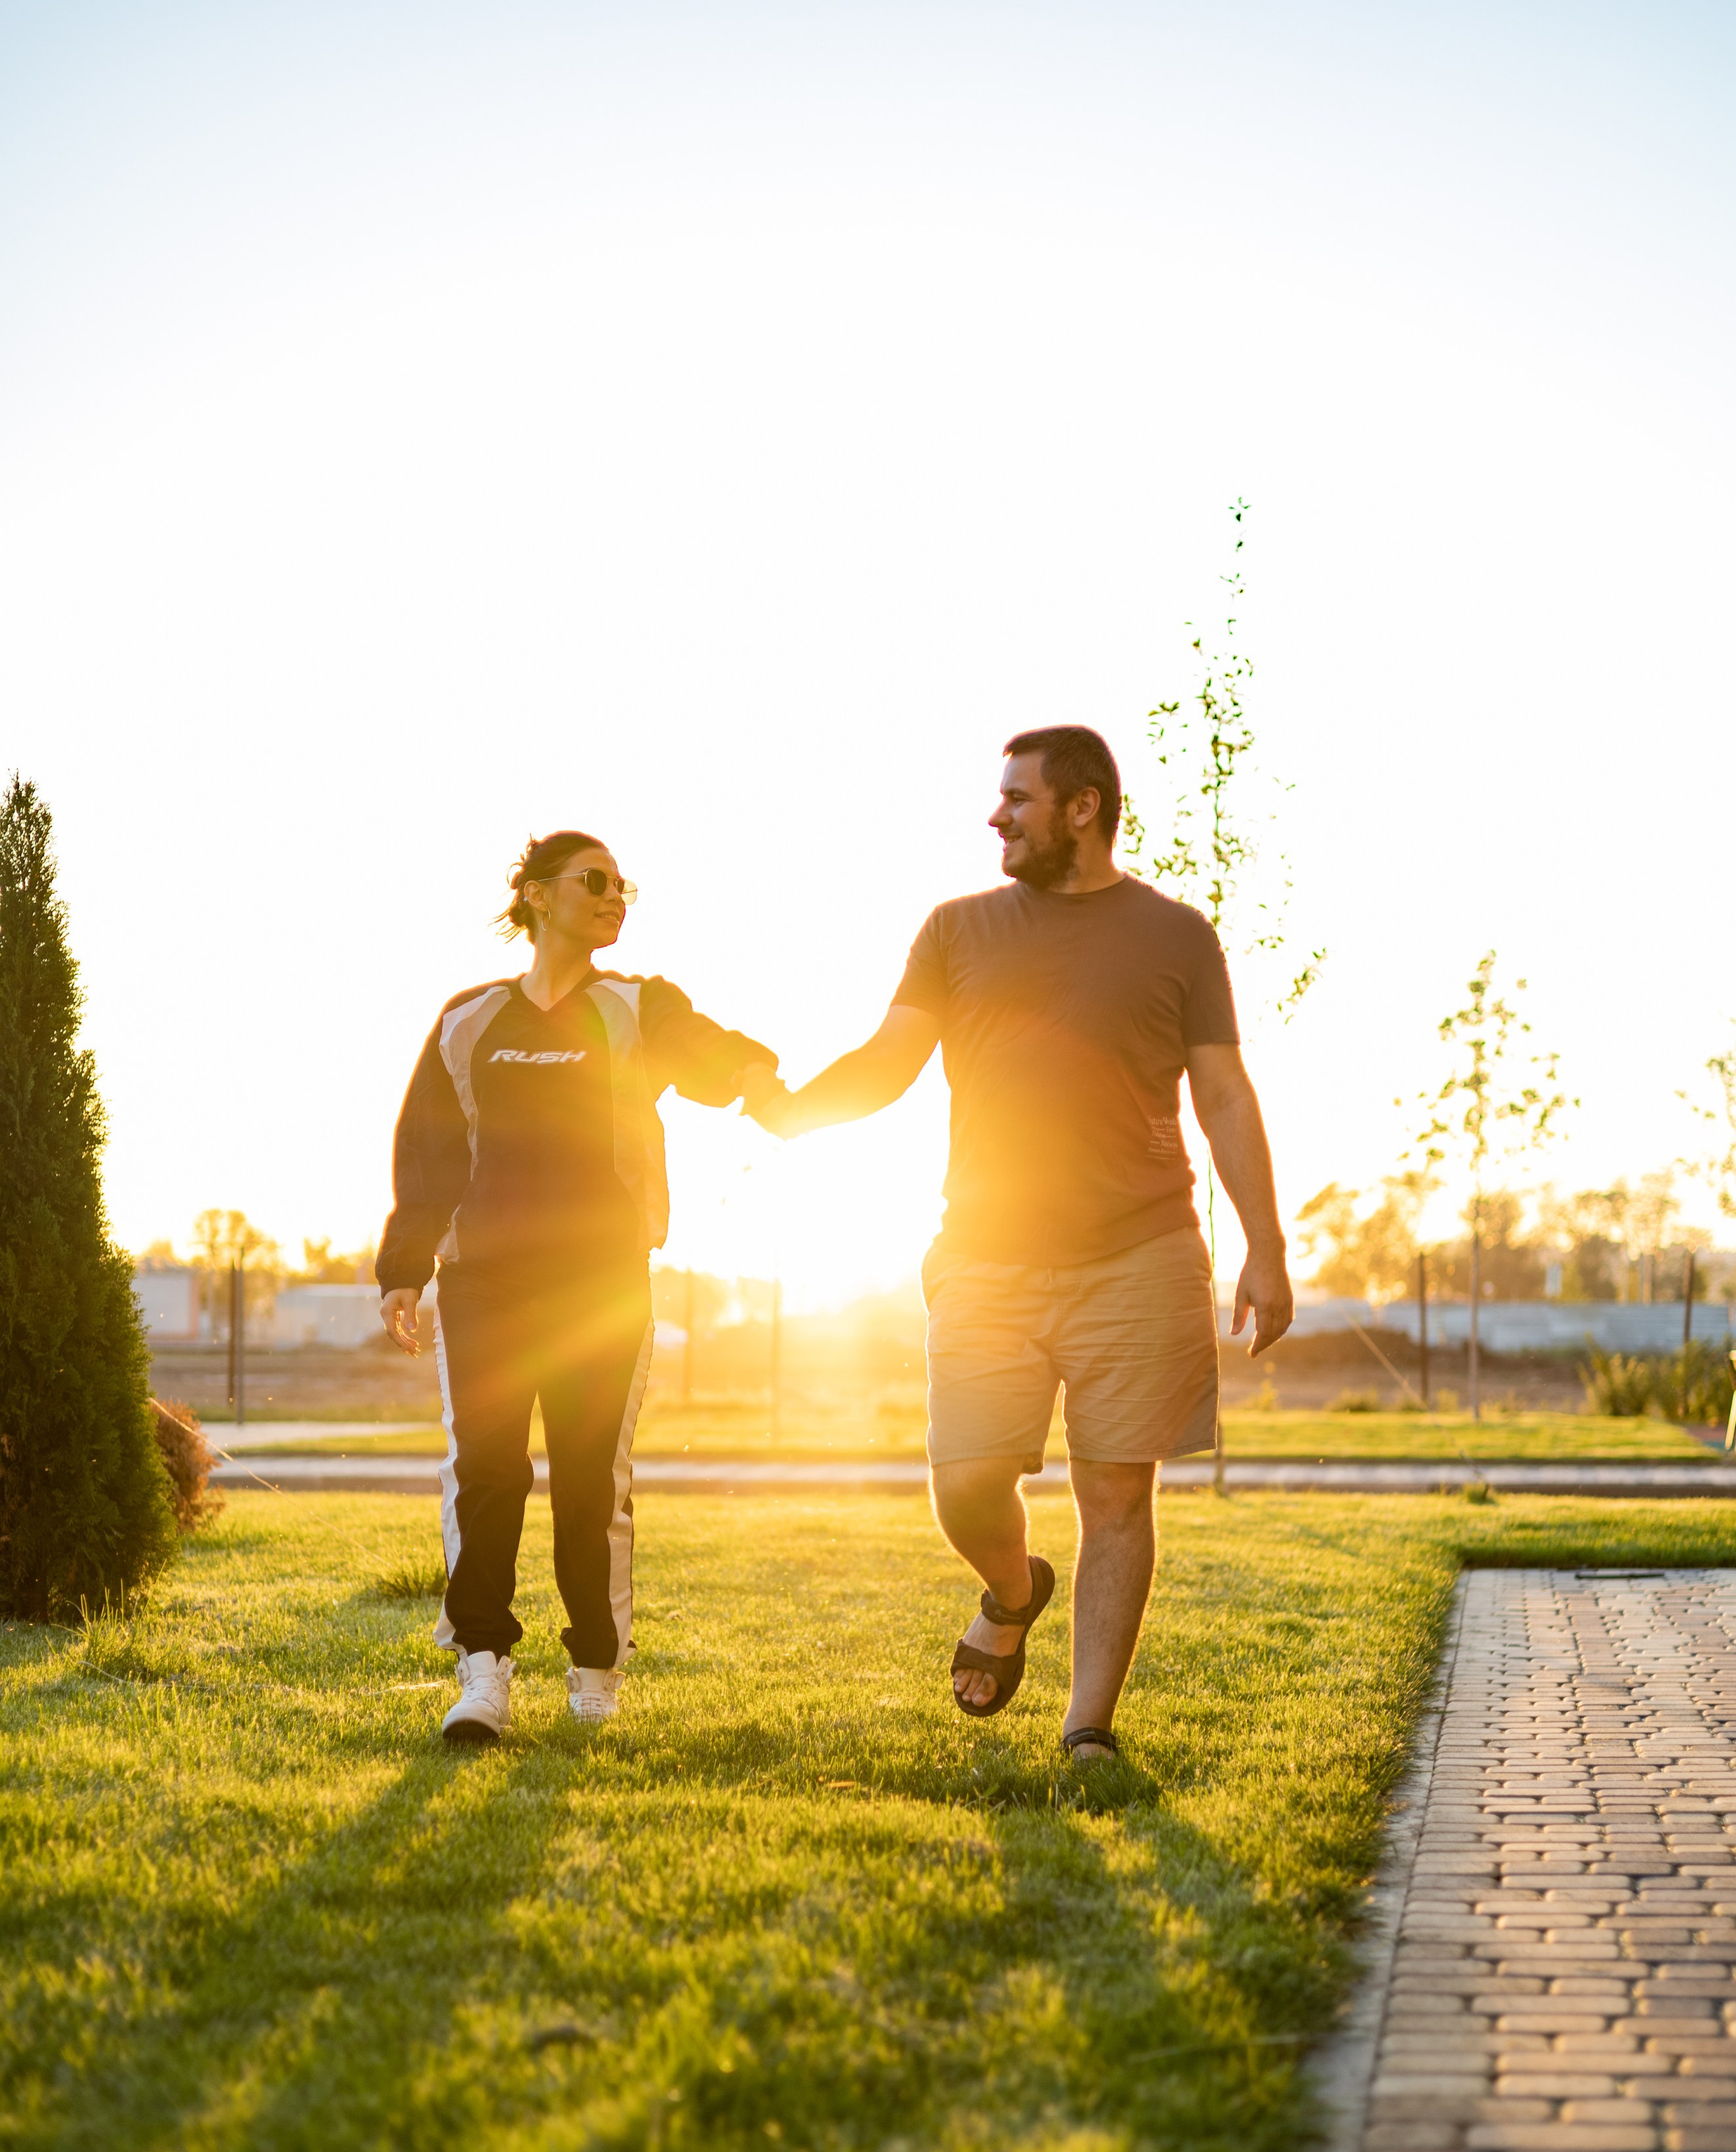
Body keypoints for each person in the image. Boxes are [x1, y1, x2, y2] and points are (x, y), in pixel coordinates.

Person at [759, 725, 1293, 1761]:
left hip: (1141, 1250)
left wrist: (1264, 1245)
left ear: (1082, 808)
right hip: (986, 1253)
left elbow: (1223, 1093)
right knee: (963, 1478)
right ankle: (1013, 1588)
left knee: (1115, 1491)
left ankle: (1088, 1725)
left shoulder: (1178, 936)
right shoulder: (957, 931)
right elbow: (890, 1056)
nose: (995, 815)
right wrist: (796, 1111)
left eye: (1018, 799)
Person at [377, 831, 784, 1746]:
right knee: (484, 1472)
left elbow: (708, 1053)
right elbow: (429, 1158)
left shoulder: (637, 1009)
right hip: (483, 1280)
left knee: (590, 1483)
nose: (614, 896)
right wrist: (404, 1268)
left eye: (621, 884)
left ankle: (595, 1666)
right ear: (536, 895)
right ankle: (483, 1673)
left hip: (600, 1284)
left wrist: (755, 1074)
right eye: (593, 881)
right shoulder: (468, 1020)